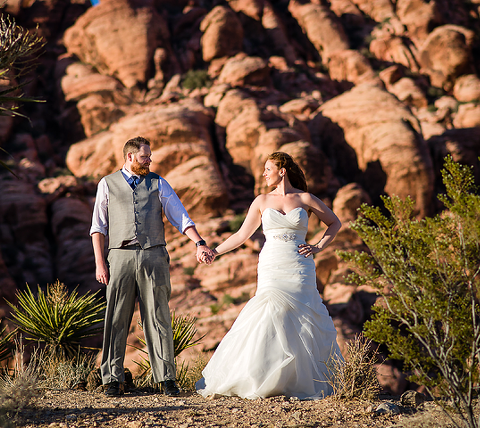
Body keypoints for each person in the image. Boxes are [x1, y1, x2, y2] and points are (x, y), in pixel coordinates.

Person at [195, 151, 344, 400]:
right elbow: (242, 235)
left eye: (267, 169)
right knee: (269, 313)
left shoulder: (305, 198)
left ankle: (298, 381)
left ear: (282, 171)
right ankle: (261, 377)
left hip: (300, 265)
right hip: (272, 264)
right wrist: (215, 251)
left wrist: (318, 246)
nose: (263, 174)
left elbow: (335, 223)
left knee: (302, 316)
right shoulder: (261, 201)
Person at [91, 136, 214, 397]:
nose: (150, 160)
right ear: (130, 157)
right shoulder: (107, 184)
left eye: (150, 156)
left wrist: (199, 242)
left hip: (154, 255)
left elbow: (179, 216)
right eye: (145, 156)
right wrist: (100, 263)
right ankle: (112, 378)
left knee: (158, 316)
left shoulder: (159, 182)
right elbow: (98, 227)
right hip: (119, 256)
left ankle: (166, 378)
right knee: (116, 317)